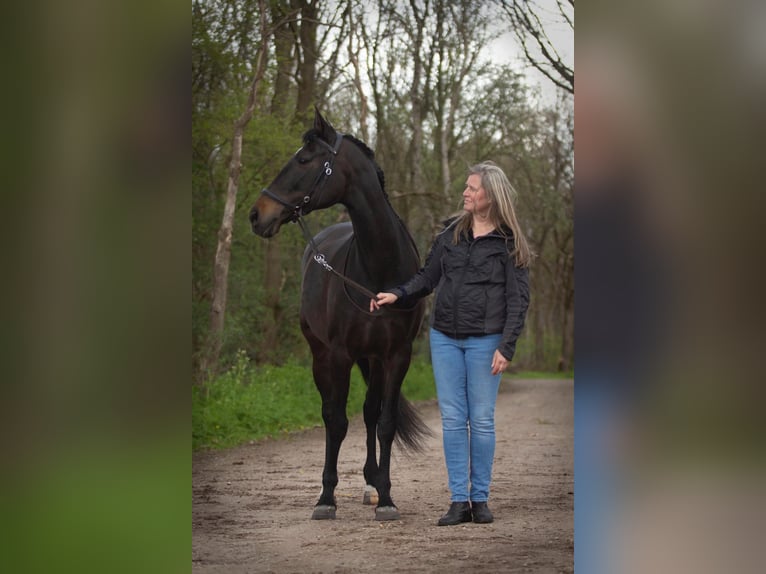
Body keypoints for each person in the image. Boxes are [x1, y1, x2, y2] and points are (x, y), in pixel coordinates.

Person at [370, 161, 532, 526]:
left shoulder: (509, 243)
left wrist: (506, 346)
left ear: (491, 195)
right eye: (466, 186)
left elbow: (519, 299)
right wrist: (397, 295)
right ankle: (459, 501)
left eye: (473, 188)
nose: (466, 192)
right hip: (444, 338)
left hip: (486, 341)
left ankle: (481, 499)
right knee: (454, 421)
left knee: (483, 420)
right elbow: (427, 277)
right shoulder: (450, 234)